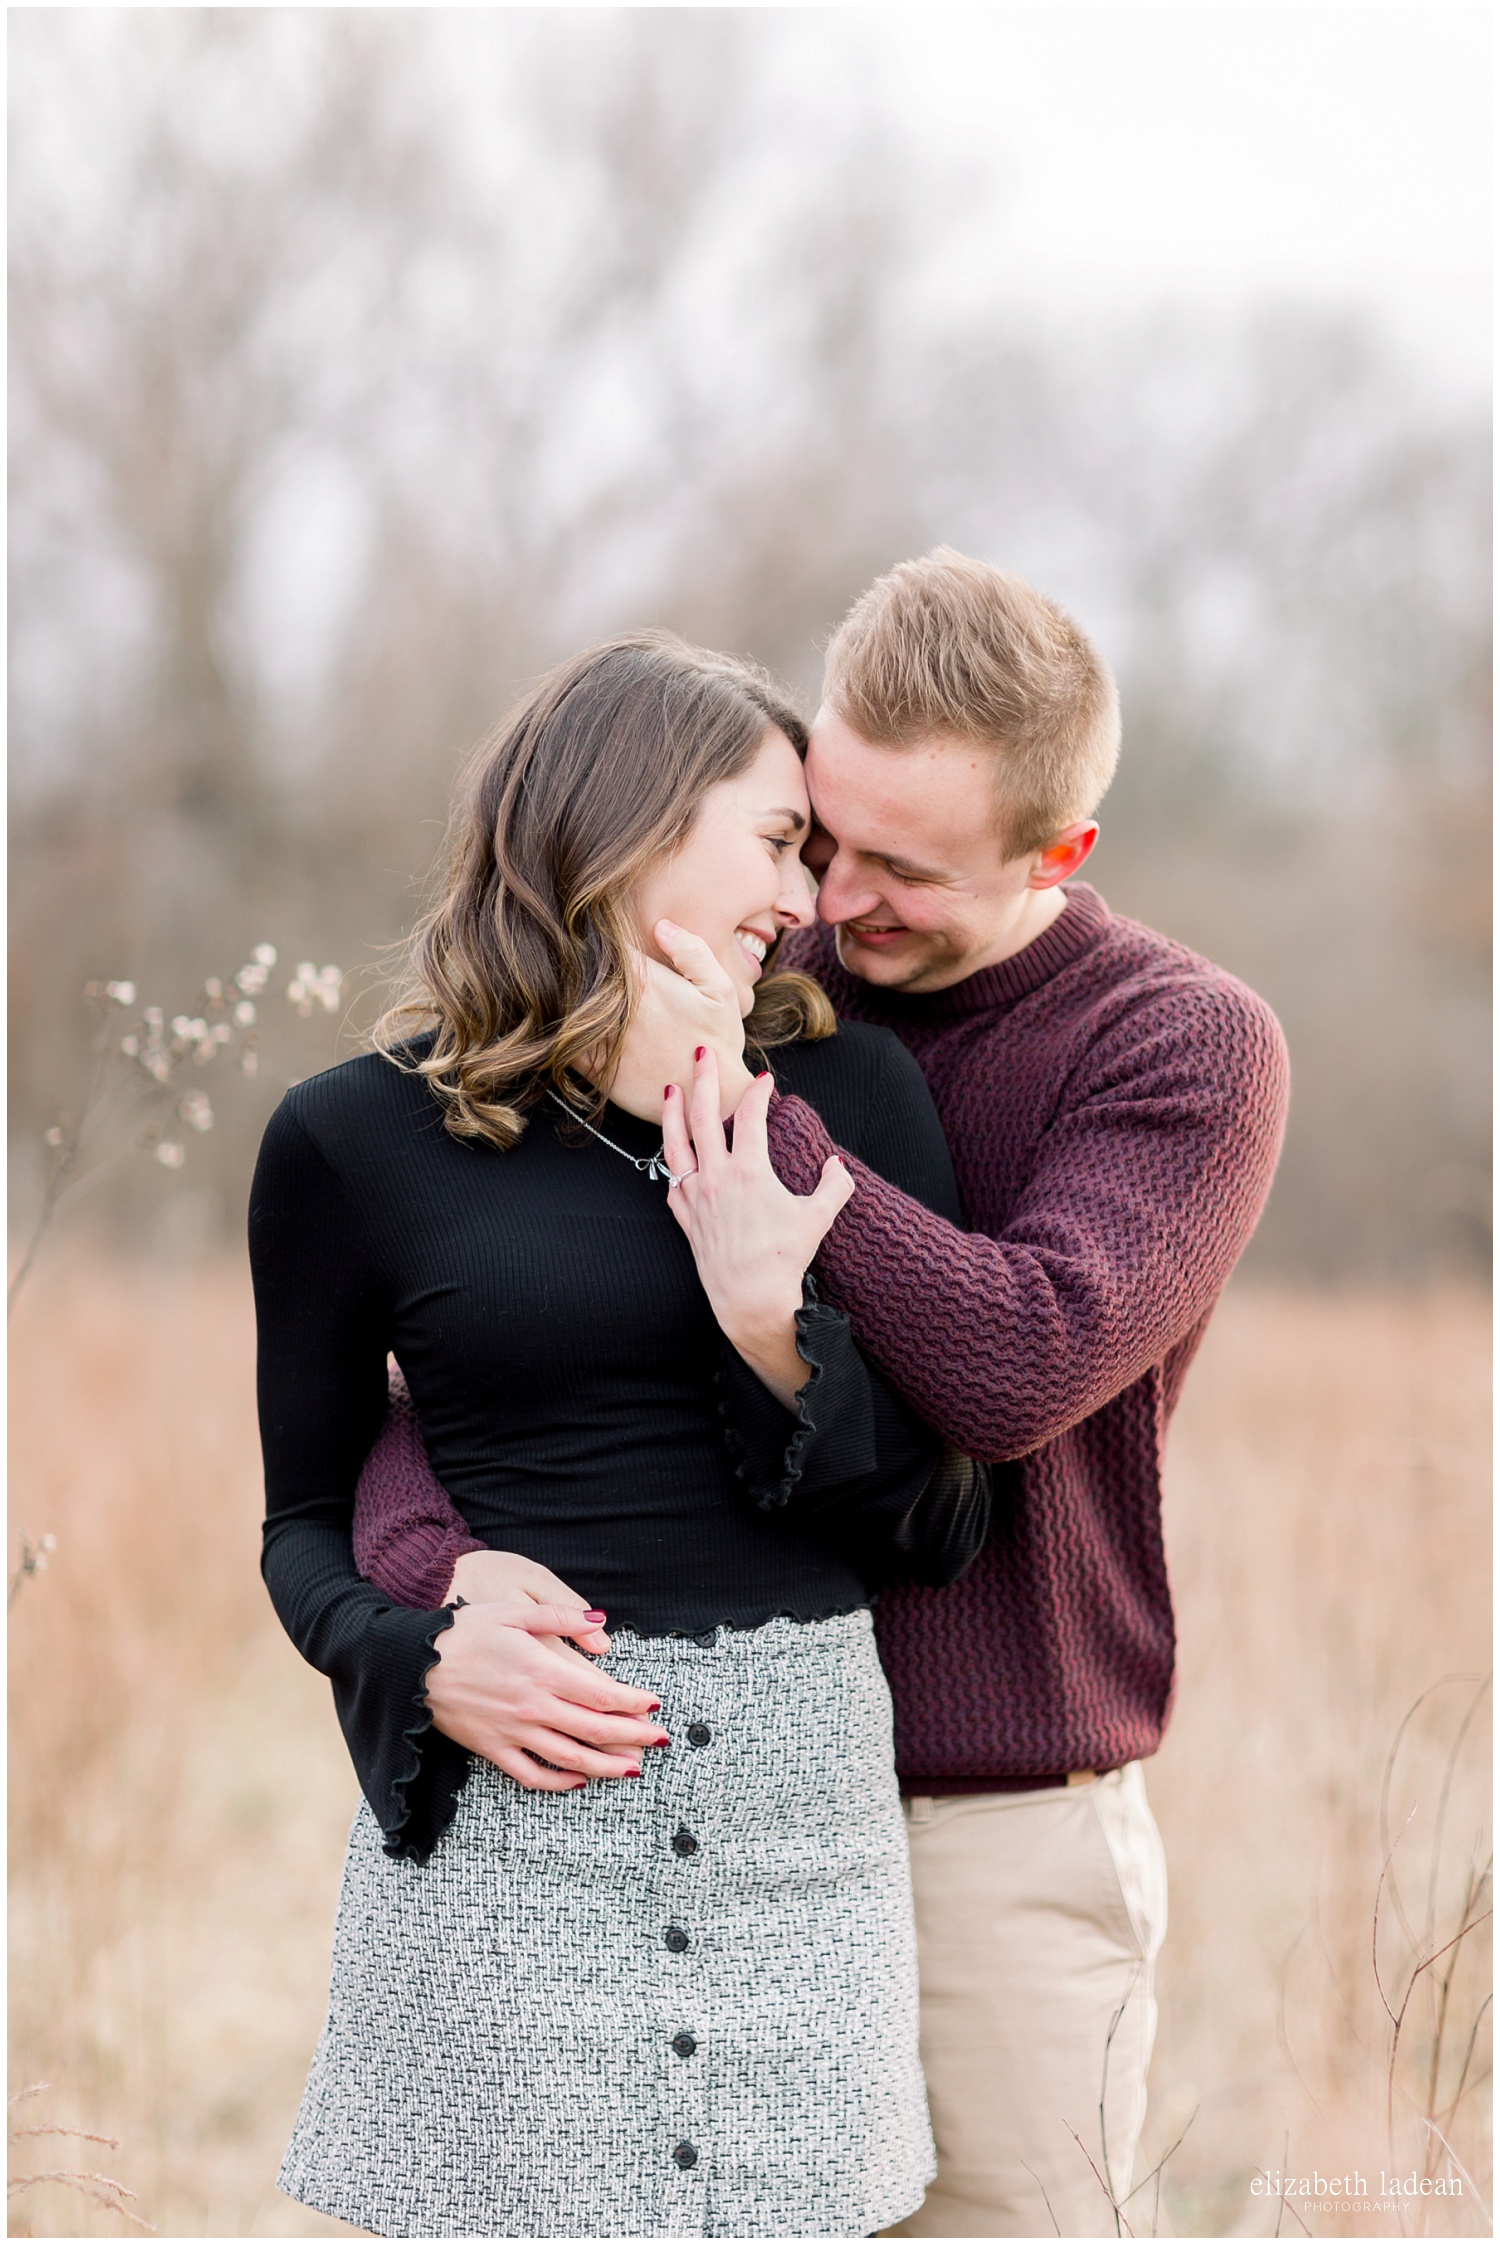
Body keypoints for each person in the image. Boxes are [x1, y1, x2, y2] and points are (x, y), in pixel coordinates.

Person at [356, 552, 1290, 2237]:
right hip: (686, 1808)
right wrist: (433, 1570)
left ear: (1057, 853)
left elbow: (1020, 1360)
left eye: (901, 868)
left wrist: (740, 1105)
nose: (833, 898)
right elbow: (475, 1367)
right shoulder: (760, 961)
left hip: (985, 1828)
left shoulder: (1185, 1045)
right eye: (818, 830)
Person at [250, 632, 993, 2242]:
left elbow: (943, 1520)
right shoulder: (349, 1137)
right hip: (513, 1838)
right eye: (779, 838)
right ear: (634, 815)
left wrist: (763, 1316)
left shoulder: (851, 1095)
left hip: (806, 1849)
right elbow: (297, 1522)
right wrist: (413, 1652)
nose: (804, 901)